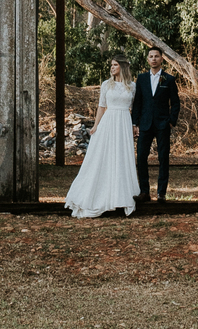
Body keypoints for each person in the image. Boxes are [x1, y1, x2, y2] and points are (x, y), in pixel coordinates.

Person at [63, 57, 140, 219]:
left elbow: (135, 108)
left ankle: (121, 195)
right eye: (111, 65)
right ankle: (98, 195)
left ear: (123, 67)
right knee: (103, 157)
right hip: (109, 121)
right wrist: (96, 125)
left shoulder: (132, 86)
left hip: (124, 122)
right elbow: (101, 106)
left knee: (121, 157)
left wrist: (134, 125)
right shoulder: (106, 84)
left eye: (115, 65)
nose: (112, 68)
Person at [131, 48, 180, 204]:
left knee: (163, 158)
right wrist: (135, 123)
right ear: (147, 59)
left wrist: (171, 121)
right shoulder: (141, 78)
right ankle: (144, 191)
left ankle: (161, 193)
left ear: (161, 59)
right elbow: (137, 102)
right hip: (145, 124)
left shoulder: (169, 79)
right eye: (151, 56)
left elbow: (175, 102)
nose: (154, 59)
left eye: (156, 56)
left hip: (162, 124)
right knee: (141, 157)